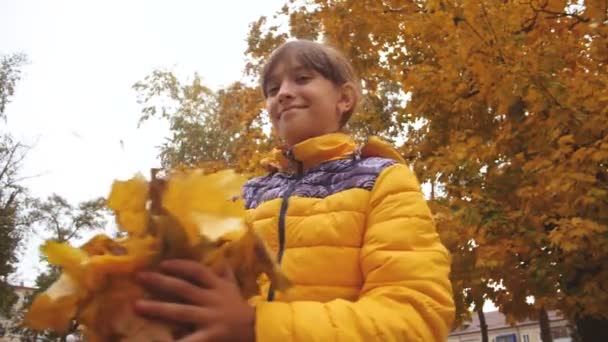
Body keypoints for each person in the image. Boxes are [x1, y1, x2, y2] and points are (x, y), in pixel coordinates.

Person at [134, 39, 455, 341]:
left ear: (344, 99)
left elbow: (416, 316)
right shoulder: (246, 196)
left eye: (302, 79)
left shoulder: (382, 180)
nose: (283, 93)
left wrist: (257, 325)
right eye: (273, 89)